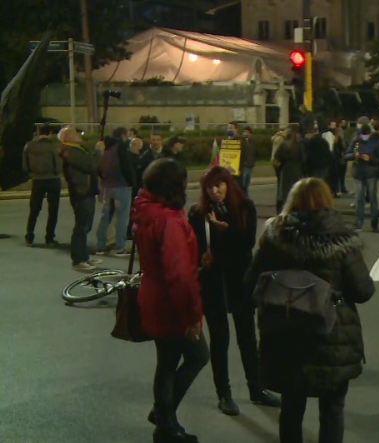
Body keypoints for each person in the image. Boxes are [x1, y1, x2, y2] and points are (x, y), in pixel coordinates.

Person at [245, 178, 375, 443]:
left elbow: (251, 284)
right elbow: (363, 291)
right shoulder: (342, 241)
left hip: (286, 334)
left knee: (291, 408)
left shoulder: (275, 238)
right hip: (332, 338)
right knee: (332, 409)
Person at [188, 167, 281, 415]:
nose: (215, 191)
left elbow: (248, 243)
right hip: (213, 282)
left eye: (219, 185)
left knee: (248, 338)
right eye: (210, 187)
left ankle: (257, 388)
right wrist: (202, 258)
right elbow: (192, 247)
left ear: (228, 185)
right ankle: (224, 394)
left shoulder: (245, 207)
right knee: (220, 339)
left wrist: (225, 230)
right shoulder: (198, 213)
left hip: (240, 281)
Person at [133, 159, 209, 443]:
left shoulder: (146, 210)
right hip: (170, 303)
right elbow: (179, 275)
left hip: (152, 294)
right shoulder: (169, 220)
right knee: (196, 356)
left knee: (167, 361)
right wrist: (192, 316)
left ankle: (164, 416)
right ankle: (165, 422)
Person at [59, 127, 102, 271]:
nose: (79, 135)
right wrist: (98, 152)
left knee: (86, 226)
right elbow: (90, 166)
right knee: (81, 227)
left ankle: (84, 257)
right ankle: (78, 260)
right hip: (81, 192)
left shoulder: (78, 149)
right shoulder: (69, 151)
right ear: (66, 137)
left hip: (86, 191)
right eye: (75, 133)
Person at [95, 127, 135, 256]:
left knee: (105, 216)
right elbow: (126, 166)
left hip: (108, 185)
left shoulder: (106, 148)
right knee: (122, 217)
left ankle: (100, 245)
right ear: (123, 135)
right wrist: (132, 182)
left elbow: (99, 166)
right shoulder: (121, 147)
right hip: (121, 185)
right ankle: (120, 247)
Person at [23, 125, 62, 247]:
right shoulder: (54, 146)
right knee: (53, 210)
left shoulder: (29, 146)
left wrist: (31, 173)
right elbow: (58, 163)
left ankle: (29, 235)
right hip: (53, 179)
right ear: (49, 133)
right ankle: (49, 237)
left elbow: (25, 164)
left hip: (37, 180)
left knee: (34, 209)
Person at [344, 116, 379, 231]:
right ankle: (358, 222)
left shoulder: (376, 141)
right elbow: (346, 154)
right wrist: (354, 155)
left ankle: (374, 221)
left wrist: (370, 158)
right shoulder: (356, 140)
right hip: (358, 172)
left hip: (371, 173)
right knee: (359, 198)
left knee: (372, 198)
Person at [273, 126, 306, 215]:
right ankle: (296, 210)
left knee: (285, 192)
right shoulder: (299, 145)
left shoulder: (284, 145)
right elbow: (304, 159)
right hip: (297, 170)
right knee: (296, 191)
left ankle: (285, 210)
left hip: (286, 170)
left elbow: (277, 158)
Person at [239, 125, 257, 192]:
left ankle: (245, 196)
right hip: (244, 164)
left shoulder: (252, 141)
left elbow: (254, 152)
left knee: (247, 182)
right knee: (243, 182)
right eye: (245, 132)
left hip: (250, 164)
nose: (246, 133)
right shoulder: (242, 141)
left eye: (248, 132)